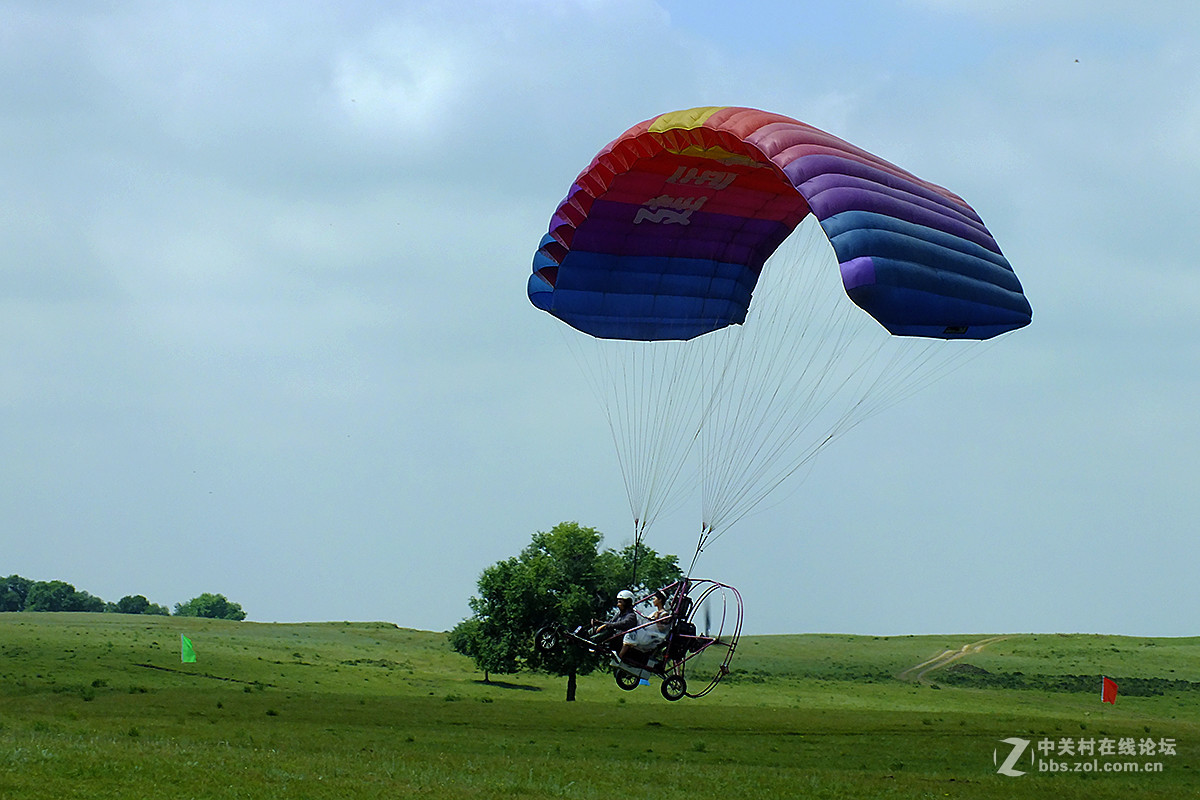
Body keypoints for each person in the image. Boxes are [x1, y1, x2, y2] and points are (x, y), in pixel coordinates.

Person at [619, 589, 671, 661]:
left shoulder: (664, 614)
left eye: (654, 599)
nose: (653, 601)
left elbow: (662, 629)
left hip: (652, 637)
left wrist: (656, 619)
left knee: (631, 632)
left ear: (660, 600)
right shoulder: (655, 612)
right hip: (647, 633)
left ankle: (620, 656)